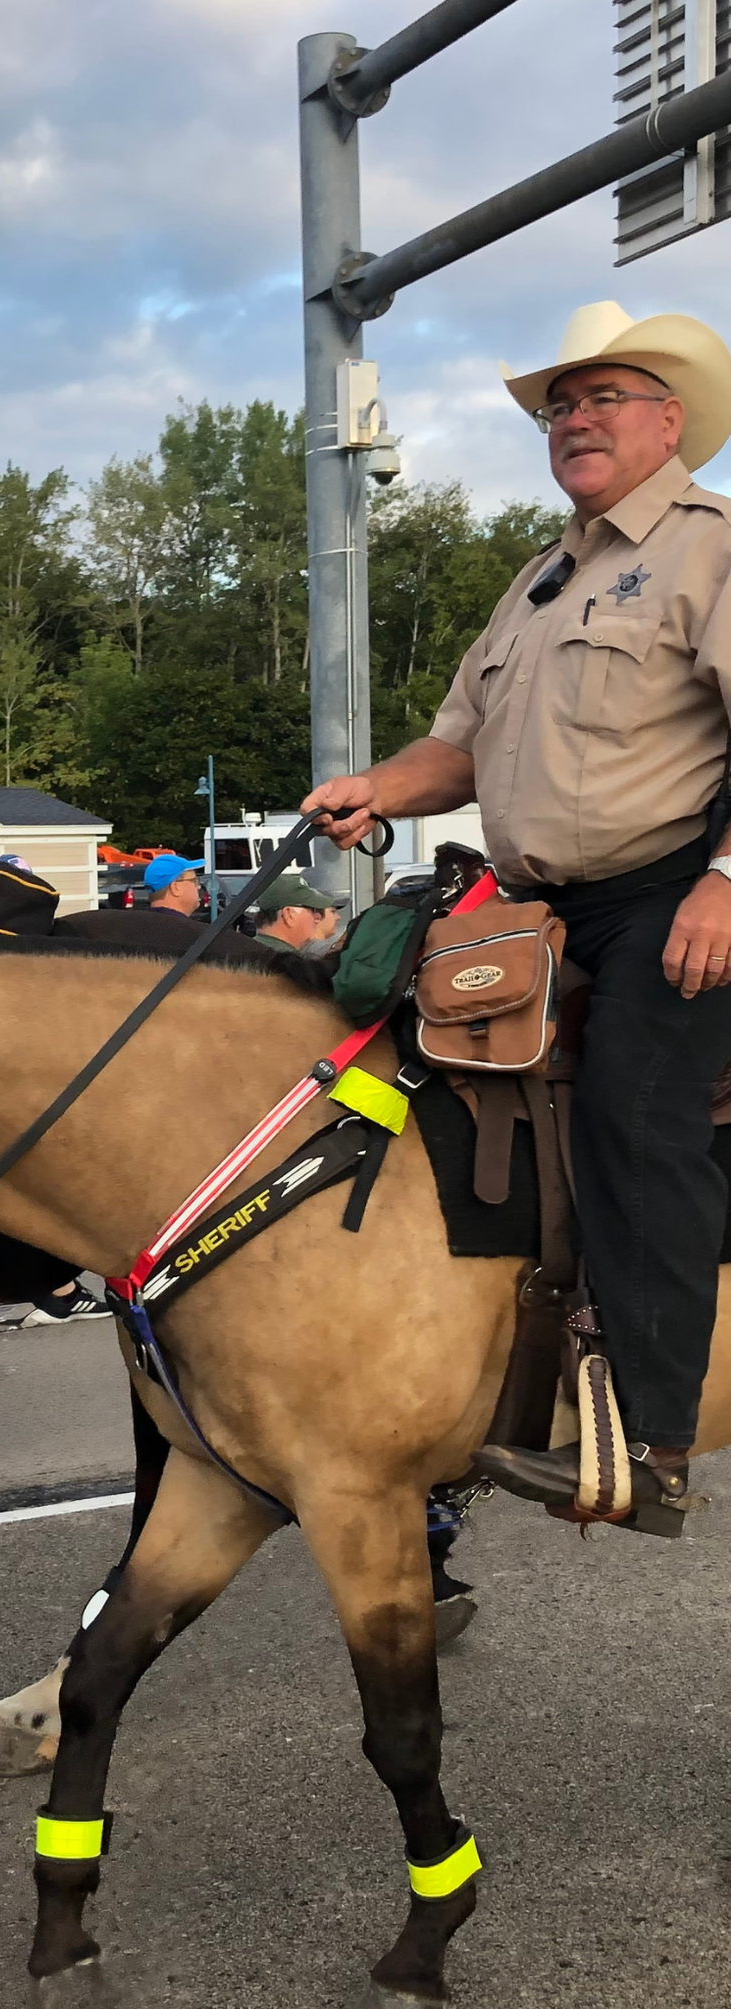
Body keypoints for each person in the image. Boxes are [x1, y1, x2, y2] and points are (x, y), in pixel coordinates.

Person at [304, 300, 731, 1524]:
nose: (572, 418)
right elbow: (458, 747)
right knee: (374, 1046)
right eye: (557, 403)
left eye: (602, 396)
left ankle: (648, 1450)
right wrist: (372, 790)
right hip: (535, 907)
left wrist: (722, 885)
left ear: (669, 420)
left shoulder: (708, 546)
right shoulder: (538, 578)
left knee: (633, 1109)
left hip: (674, 893)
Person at [253, 875, 341, 953]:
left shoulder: (247, 952)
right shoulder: (285, 965)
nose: (318, 917)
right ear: (289, 914)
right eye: (313, 909)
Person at [143, 853, 203, 919]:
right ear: (175, 887)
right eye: (194, 881)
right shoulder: (186, 928)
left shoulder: (135, 924)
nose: (198, 887)